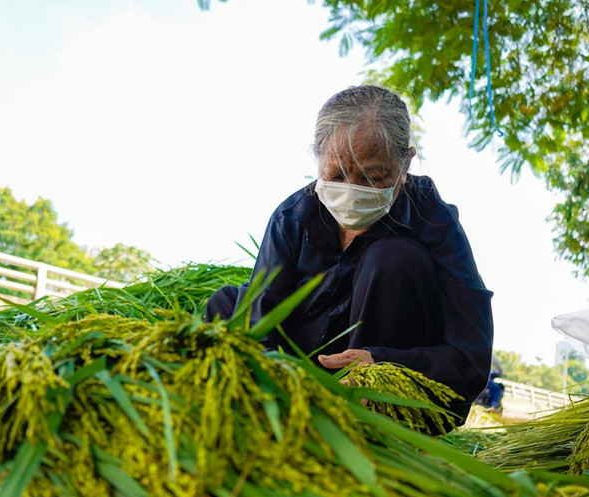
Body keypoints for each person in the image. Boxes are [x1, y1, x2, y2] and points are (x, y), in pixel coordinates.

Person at [206, 85, 493, 428]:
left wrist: (383, 363)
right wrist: (283, 380)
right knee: (226, 308)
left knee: (394, 259)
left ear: (406, 164)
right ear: (318, 158)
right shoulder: (293, 217)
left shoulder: (433, 221)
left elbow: (469, 355)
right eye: (336, 175)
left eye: (374, 178)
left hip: (385, 375)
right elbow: (260, 322)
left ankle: (368, 421)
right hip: (305, 369)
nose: (352, 190)